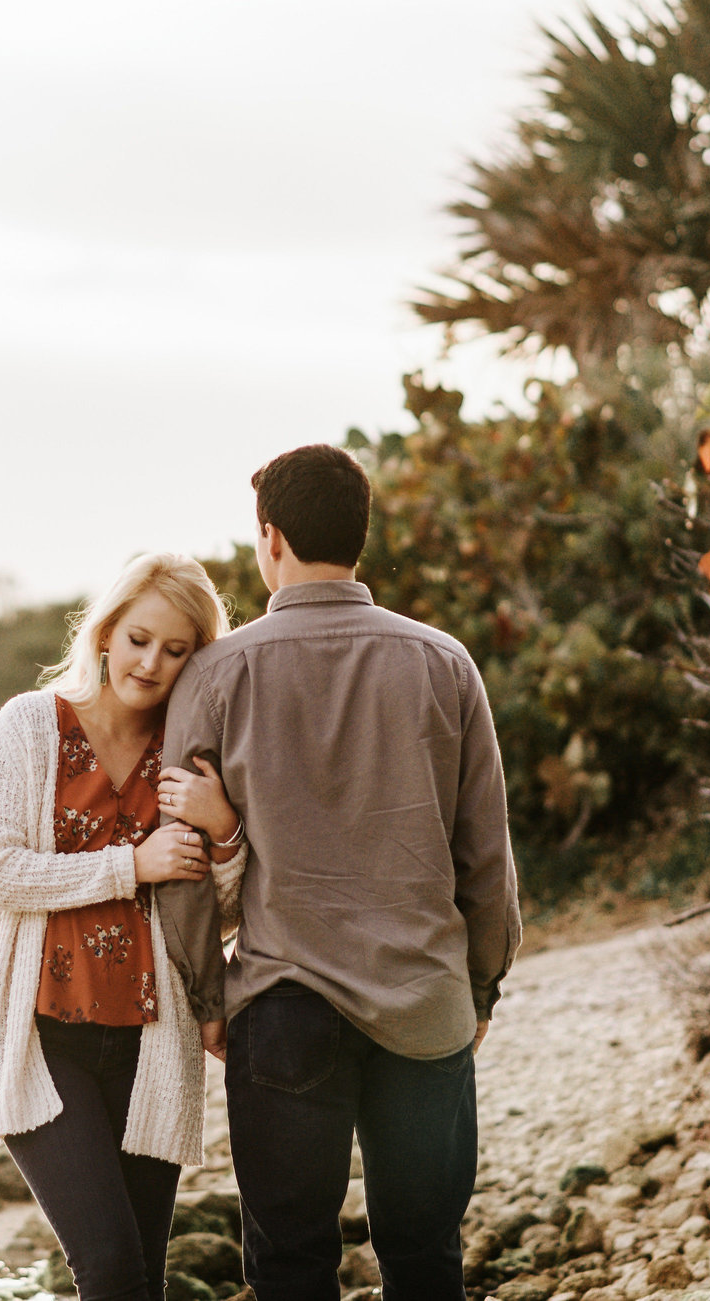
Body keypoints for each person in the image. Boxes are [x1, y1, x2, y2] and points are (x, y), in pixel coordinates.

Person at [159, 444, 521, 1301]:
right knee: (427, 1257)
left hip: (283, 1004)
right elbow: (486, 855)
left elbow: (180, 869)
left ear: (270, 536)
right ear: (360, 535)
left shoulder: (215, 674)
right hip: (427, 1000)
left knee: (289, 1266)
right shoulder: (444, 663)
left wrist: (210, 999)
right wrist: (482, 985)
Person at [0, 551, 248, 1301]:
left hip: (151, 1042)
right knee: (111, 1268)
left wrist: (223, 833)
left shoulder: (186, 758)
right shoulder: (31, 726)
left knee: (140, 1281)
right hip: (43, 1038)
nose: (151, 663)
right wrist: (131, 864)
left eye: (176, 648)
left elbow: (218, 911)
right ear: (105, 633)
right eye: (139, 639)